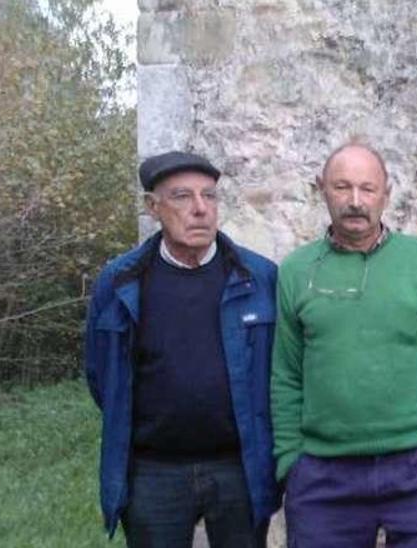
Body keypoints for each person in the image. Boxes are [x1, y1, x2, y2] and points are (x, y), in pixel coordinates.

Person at [271, 141, 417, 547]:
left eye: (367, 188)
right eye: (342, 187)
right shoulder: (296, 270)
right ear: (321, 190)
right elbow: (287, 374)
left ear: (386, 193)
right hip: (325, 476)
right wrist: (290, 459)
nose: (355, 201)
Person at [84, 151, 279, 546]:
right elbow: (102, 376)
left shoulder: (258, 277)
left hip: (237, 467)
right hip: (154, 471)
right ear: (153, 207)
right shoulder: (120, 282)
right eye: (182, 197)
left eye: (209, 196)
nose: (200, 209)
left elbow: (279, 371)